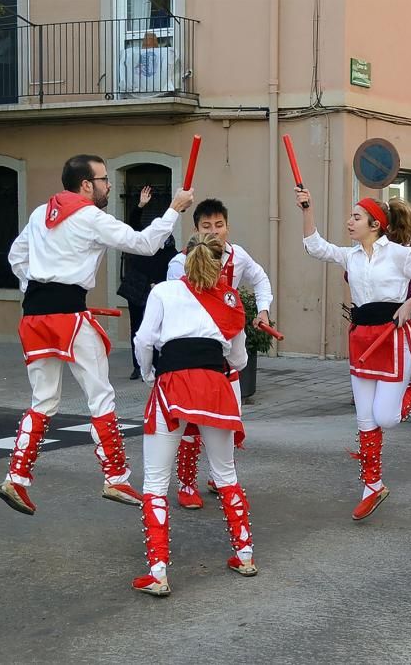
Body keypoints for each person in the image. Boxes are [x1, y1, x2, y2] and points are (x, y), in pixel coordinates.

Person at [0, 154, 194, 516]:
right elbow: (145, 244)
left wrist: (38, 288)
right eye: (103, 179)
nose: (108, 185)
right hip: (69, 317)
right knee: (100, 396)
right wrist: (175, 209)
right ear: (86, 185)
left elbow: (16, 256)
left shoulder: (41, 213)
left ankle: (17, 475)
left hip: (34, 317)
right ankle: (115, 476)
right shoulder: (90, 216)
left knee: (43, 400)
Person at [297, 187, 411, 521]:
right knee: (365, 420)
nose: (349, 222)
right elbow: (315, 246)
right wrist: (307, 209)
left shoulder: (400, 255)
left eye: (356, 217)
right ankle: (372, 485)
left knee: (385, 417)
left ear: (375, 224)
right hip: (361, 339)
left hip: (393, 337)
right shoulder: (350, 255)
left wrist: (409, 304)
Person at [132, 233, 255, 596]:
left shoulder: (164, 292)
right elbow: (239, 358)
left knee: (155, 481)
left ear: (184, 260)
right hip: (215, 386)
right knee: (226, 472)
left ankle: (158, 572)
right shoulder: (230, 299)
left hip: (172, 384)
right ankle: (244, 553)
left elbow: (143, 340)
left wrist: (147, 372)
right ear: (220, 264)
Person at [166, 198, 273, 510]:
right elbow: (171, 307)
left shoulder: (238, 257)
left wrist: (263, 310)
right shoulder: (179, 263)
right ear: (196, 229)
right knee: (190, 423)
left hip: (228, 354)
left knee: (229, 419)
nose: (214, 232)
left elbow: (261, 279)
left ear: (227, 226)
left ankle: (219, 474)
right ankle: (186, 483)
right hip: (194, 357)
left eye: (219, 225)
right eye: (206, 226)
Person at [120, 185, 177, 380]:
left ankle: (156, 363)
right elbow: (132, 225)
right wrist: (141, 205)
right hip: (137, 288)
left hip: (157, 292)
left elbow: (174, 272)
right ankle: (137, 365)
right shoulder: (143, 240)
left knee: (157, 327)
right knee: (136, 326)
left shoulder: (171, 253)